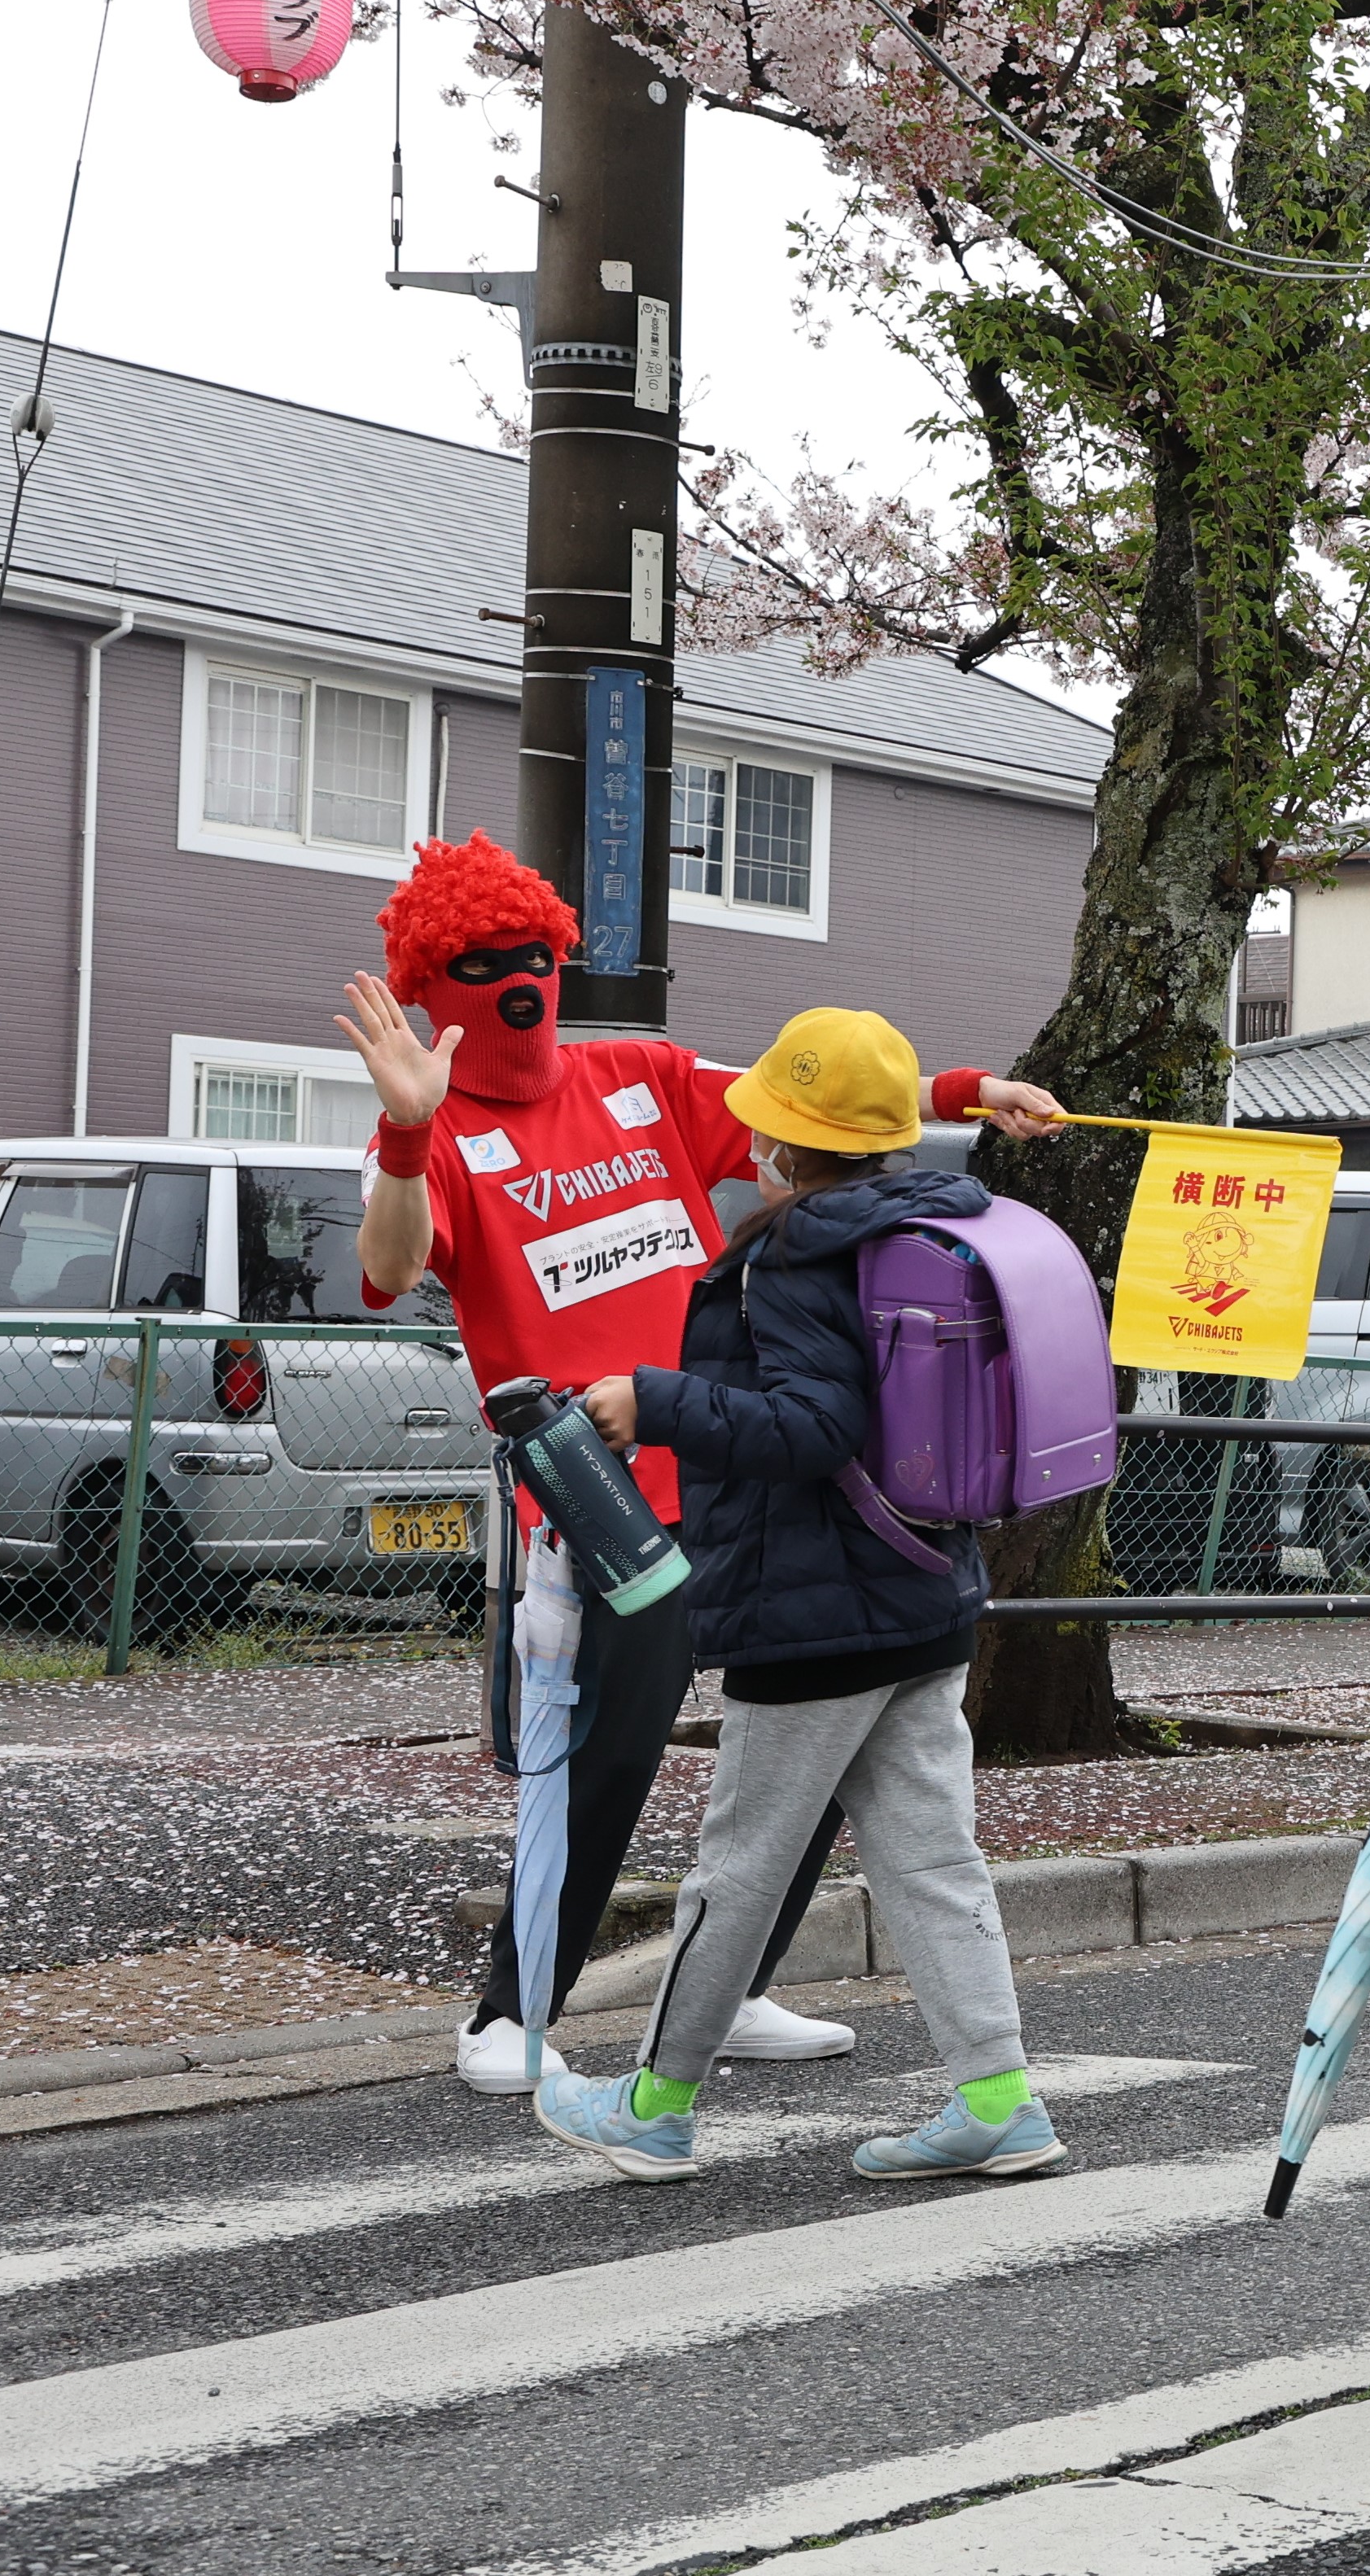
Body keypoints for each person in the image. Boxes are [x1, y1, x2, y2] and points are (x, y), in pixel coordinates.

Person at [333, 832, 1063, 2093]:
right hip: (595, 1489)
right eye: (484, 964)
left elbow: (805, 1099)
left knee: (822, 1744)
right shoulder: (433, 1124)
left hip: (746, 1467)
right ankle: (511, 2006)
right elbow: (392, 1267)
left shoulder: (643, 1074)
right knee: (605, 1752)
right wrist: (405, 1137)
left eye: (538, 958)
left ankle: (732, 1984)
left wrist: (966, 1090)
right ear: (430, 987)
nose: (520, 984)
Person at [529, 1010, 1069, 2182]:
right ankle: (997, 2097)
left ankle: (657, 2102)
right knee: (932, 1860)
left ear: (781, 1138)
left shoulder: (794, 1254)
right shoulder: (929, 1225)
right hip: (925, 1588)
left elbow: (813, 1426)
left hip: (811, 1608)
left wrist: (654, 1400)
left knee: (740, 1864)